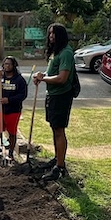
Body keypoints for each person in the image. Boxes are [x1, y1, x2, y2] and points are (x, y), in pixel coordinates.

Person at [33, 23, 75, 181]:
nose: (51, 36)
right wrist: (42, 75)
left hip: (61, 96)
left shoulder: (66, 53)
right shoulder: (56, 52)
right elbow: (53, 73)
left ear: (61, 36)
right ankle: (58, 159)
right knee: (54, 127)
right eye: (49, 33)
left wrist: (43, 79)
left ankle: (60, 166)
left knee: (59, 129)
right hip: (53, 95)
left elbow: (62, 78)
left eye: (54, 34)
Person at [0, 56, 28, 162]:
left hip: (13, 111)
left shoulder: (19, 80)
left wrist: (9, 100)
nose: (7, 66)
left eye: (9, 64)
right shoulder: (1, 77)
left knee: (12, 132)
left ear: (14, 65)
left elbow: (23, 95)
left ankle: (11, 152)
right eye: (5, 64)